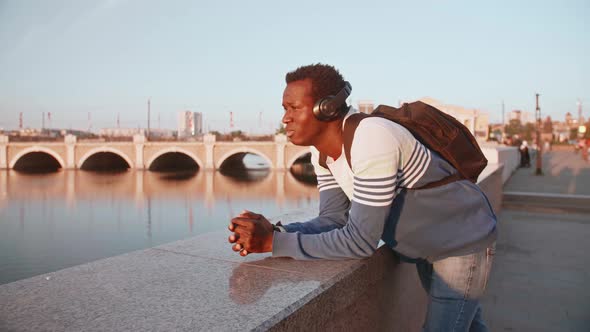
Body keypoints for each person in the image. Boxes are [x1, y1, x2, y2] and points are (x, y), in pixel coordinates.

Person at [228, 64, 497, 331]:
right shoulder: (321, 155)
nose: (285, 118)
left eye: (294, 108)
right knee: (470, 326)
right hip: (428, 246)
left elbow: (360, 241)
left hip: (461, 242)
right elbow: (333, 219)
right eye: (284, 108)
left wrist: (274, 243)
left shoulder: (372, 137)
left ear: (327, 108)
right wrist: (276, 230)